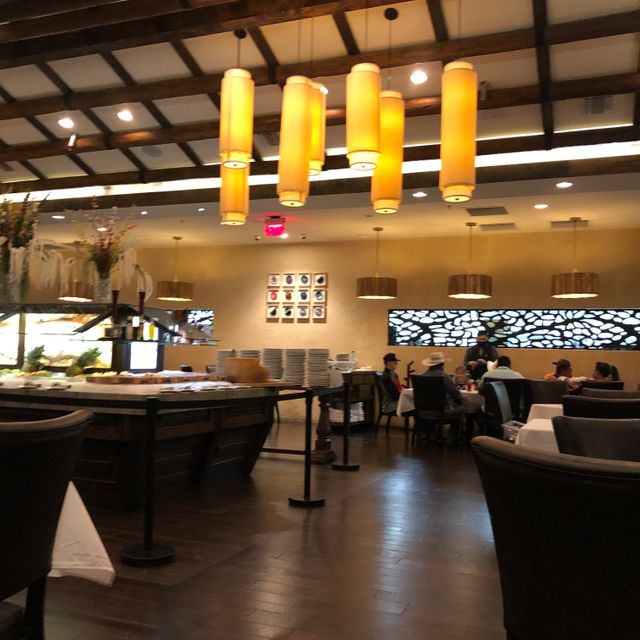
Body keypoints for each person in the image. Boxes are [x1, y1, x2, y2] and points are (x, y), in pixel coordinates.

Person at [421, 352, 465, 443]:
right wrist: (461, 402)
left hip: (423, 411)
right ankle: (451, 439)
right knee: (462, 409)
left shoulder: (422, 376)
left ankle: (432, 435)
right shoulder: (445, 377)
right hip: (441, 411)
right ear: (442, 364)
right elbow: (456, 396)